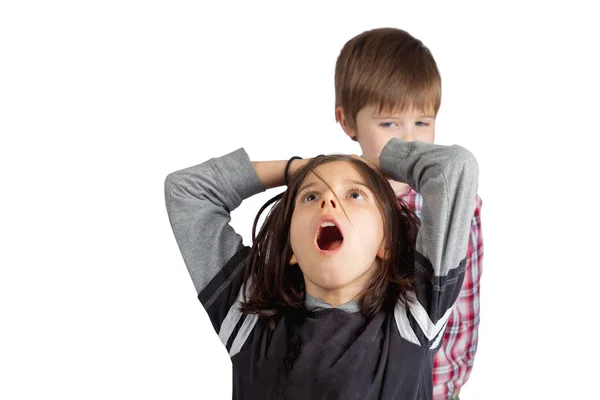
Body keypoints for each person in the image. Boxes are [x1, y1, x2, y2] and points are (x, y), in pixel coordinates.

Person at [164, 136, 478, 399]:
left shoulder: (413, 317)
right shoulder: (249, 321)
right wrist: (295, 169)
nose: (328, 200)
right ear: (292, 251)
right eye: (310, 195)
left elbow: (453, 168)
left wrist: (374, 162)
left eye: (355, 194)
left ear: (387, 242)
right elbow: (186, 191)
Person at [334, 27, 484, 399]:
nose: (410, 140)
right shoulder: (330, 201)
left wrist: (445, 389)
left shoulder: (459, 205)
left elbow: (463, 308)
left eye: (423, 122)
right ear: (347, 122)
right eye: (389, 124)